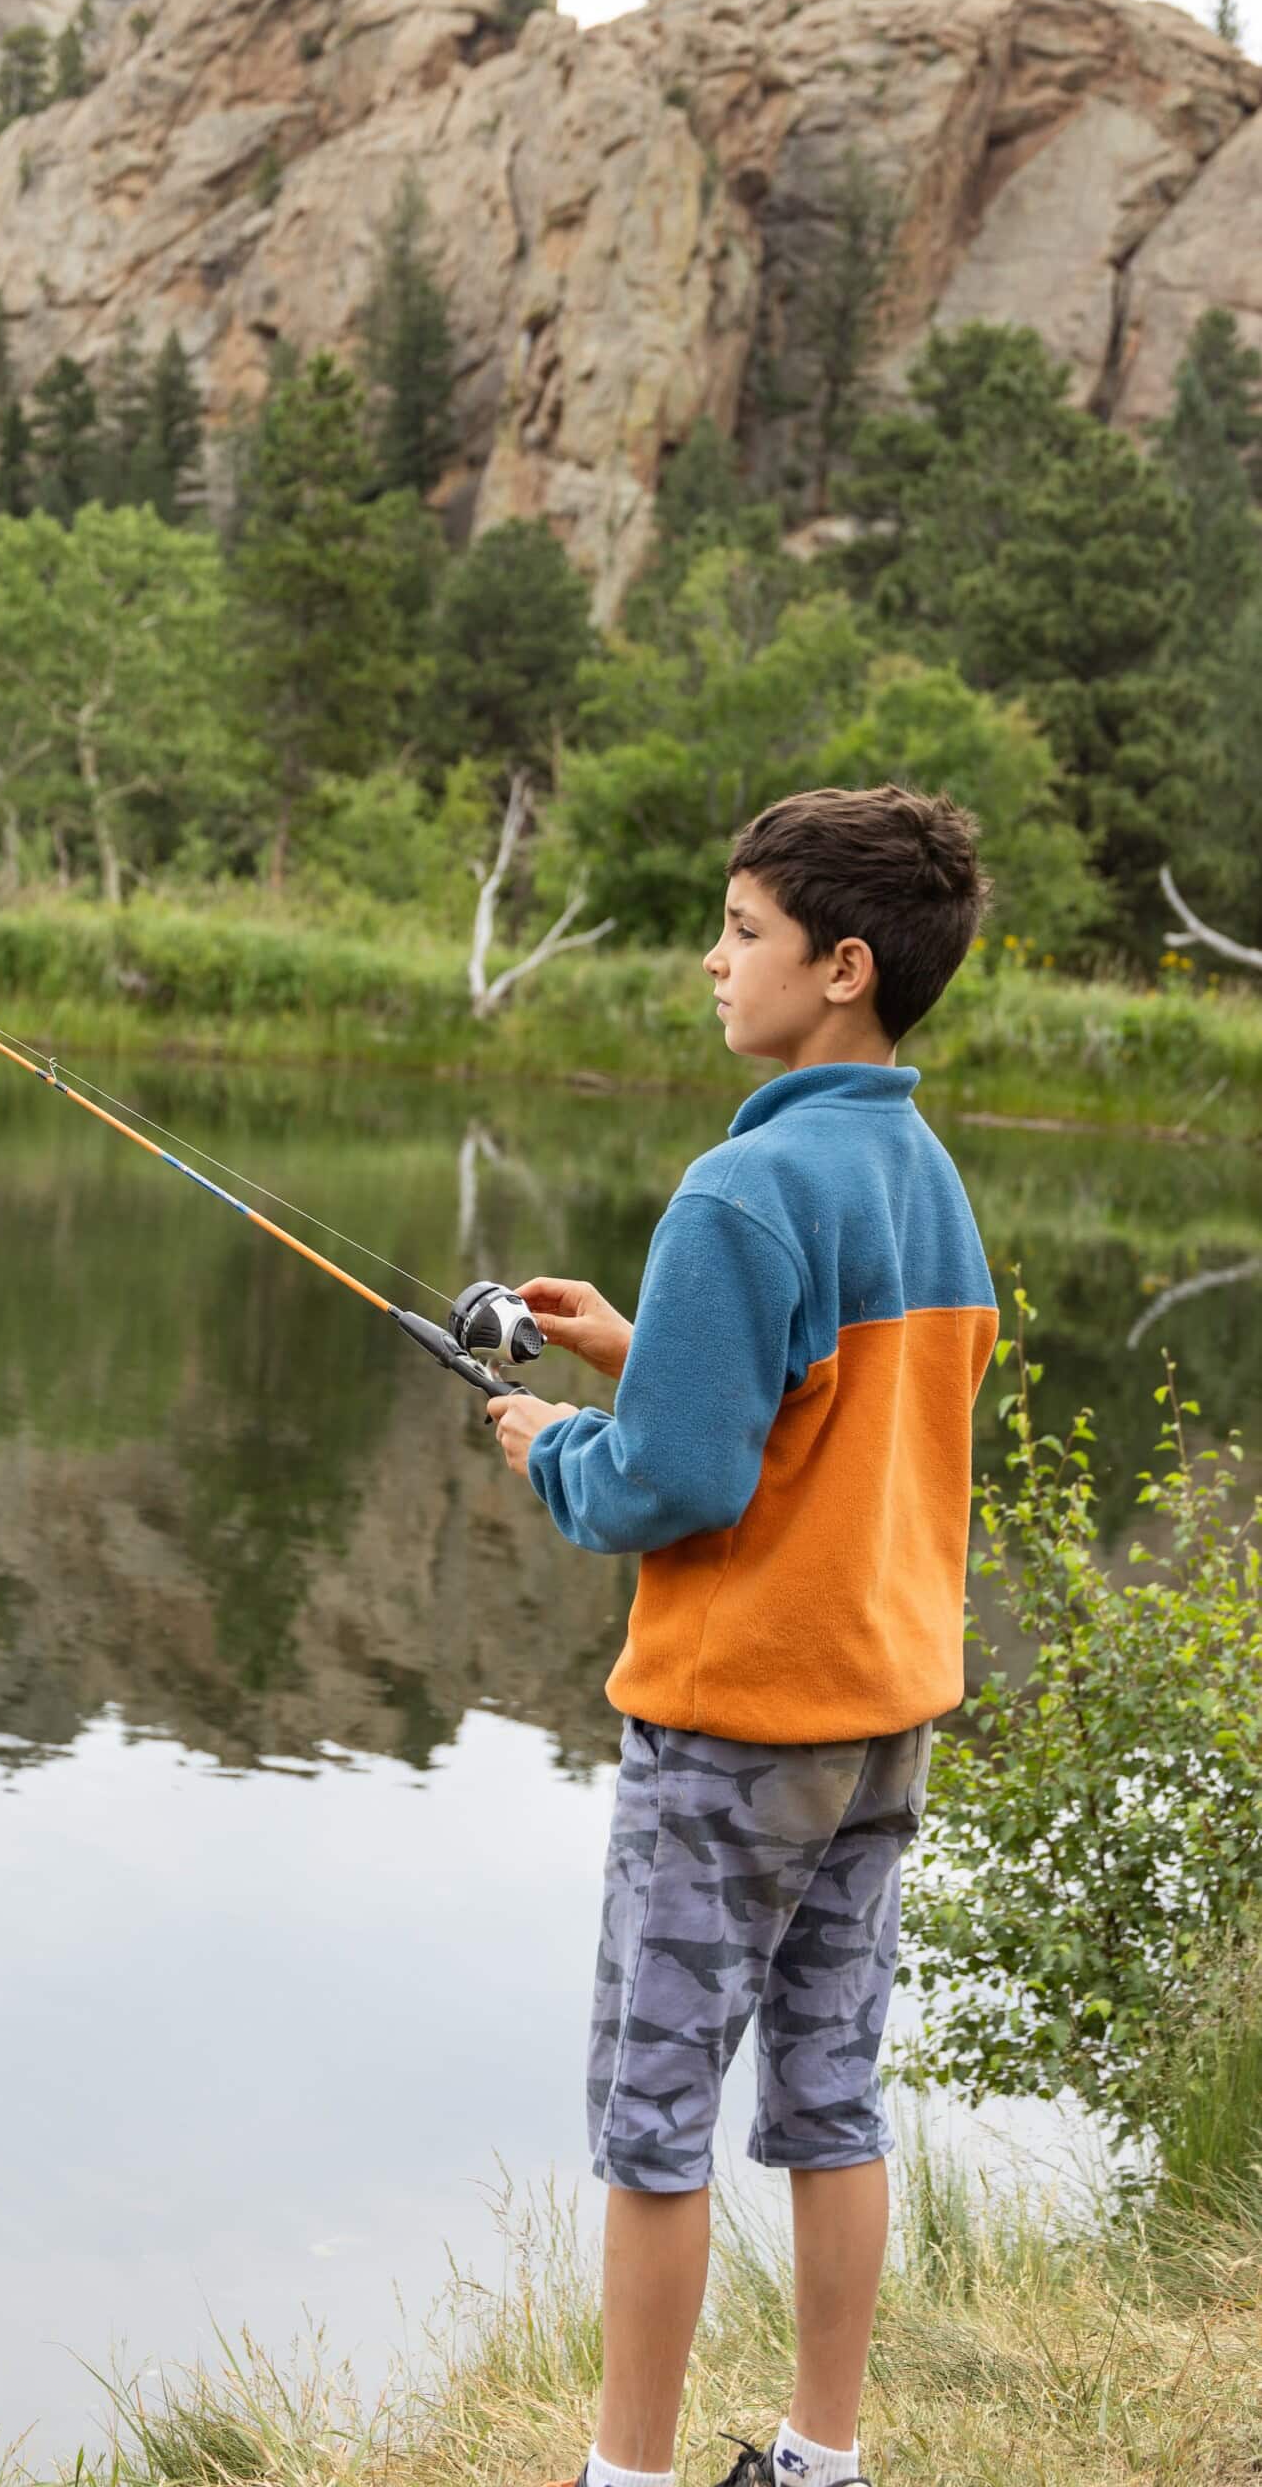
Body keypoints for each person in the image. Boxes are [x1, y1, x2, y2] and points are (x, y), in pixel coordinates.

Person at [487, 785, 998, 2487]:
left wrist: (555, 1449)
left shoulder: (741, 1187)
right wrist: (643, 1350)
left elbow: (679, 1484)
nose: (714, 961)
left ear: (842, 967)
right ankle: (817, 2460)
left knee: (654, 2121)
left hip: (732, 1731)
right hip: (881, 1717)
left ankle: (625, 2474)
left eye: (743, 931)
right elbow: (821, 1427)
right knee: (831, 2099)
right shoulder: (925, 1179)